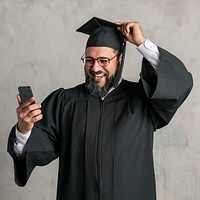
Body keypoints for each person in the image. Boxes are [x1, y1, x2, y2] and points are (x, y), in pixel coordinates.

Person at [7, 17, 193, 200]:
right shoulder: (65, 102)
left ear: (119, 59)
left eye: (104, 60)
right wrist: (24, 129)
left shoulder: (142, 100)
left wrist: (142, 43)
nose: (95, 68)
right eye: (89, 60)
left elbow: (179, 84)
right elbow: (38, 150)